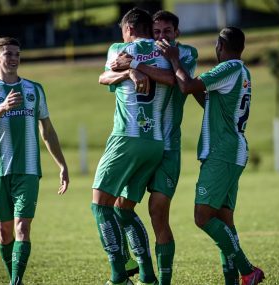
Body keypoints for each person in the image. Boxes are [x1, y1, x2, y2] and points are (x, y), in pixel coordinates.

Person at [157, 27, 264, 285]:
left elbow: (186, 86)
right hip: (231, 151)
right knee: (223, 221)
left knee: (202, 217)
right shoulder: (242, 72)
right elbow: (207, 100)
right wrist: (191, 81)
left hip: (222, 152)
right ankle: (234, 280)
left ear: (220, 45)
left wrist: (174, 59)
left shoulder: (228, 68)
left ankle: (248, 271)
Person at [101, 10, 198, 285]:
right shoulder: (142, 51)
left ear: (176, 33)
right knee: (121, 207)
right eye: (156, 32)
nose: (162, 37)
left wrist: (137, 68)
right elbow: (108, 74)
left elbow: (181, 83)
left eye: (167, 32)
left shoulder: (186, 54)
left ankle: (161, 281)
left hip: (169, 148)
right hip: (146, 141)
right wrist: (130, 68)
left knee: (158, 213)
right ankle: (140, 270)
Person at [0, 37, 69, 285]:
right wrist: (3, 107)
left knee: (21, 228)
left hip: (28, 170)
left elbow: (47, 130)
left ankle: (16, 281)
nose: (14, 58)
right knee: (4, 233)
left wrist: (62, 165)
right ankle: (13, 277)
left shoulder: (34, 89)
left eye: (17, 54)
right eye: (8, 54)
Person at [92, 7, 173, 285]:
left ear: (127, 29)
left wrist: (128, 69)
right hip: (155, 143)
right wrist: (130, 74)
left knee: (100, 205)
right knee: (124, 208)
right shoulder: (164, 51)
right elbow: (172, 80)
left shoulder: (120, 48)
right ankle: (148, 275)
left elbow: (103, 77)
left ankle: (118, 276)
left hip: (126, 137)